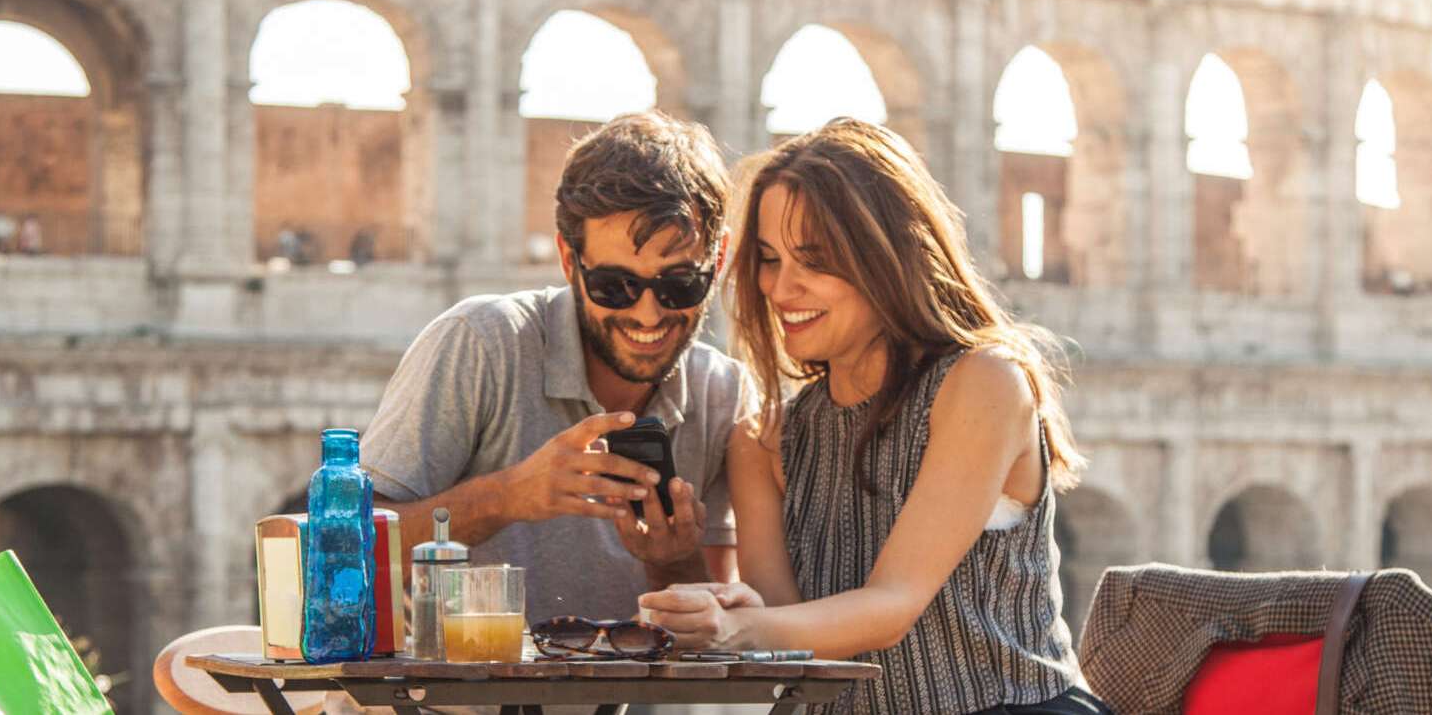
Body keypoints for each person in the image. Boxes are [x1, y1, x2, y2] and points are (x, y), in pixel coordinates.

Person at [639, 119, 1111, 715]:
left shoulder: (981, 383)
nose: (782, 289)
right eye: (768, 259)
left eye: (814, 259)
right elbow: (787, 635)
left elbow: (893, 604)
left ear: (887, 254)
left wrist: (742, 630)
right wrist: (705, 600)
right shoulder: (760, 440)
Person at [361, 110, 748, 625]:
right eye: (616, 285)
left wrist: (671, 558)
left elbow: (712, 626)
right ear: (569, 260)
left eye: (680, 284)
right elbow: (344, 549)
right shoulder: (481, 342)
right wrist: (507, 496)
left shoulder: (722, 391)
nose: (648, 313)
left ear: (718, 261)